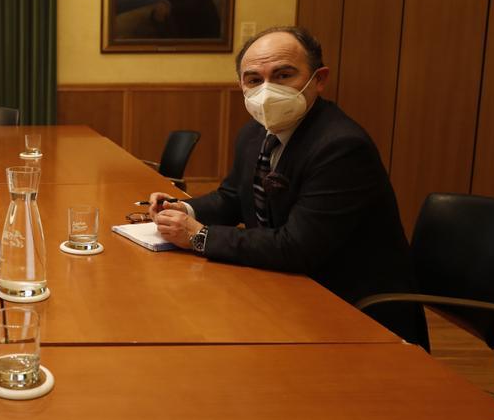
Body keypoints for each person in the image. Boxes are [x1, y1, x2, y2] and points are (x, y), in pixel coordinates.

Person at [148, 26, 428, 347]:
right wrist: (182, 208)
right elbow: (232, 198)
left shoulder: (341, 146)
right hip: (284, 290)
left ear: (319, 80)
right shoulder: (254, 133)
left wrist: (199, 237)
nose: (267, 90)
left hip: (353, 314)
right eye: (254, 80)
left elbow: (297, 248)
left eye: (283, 75)